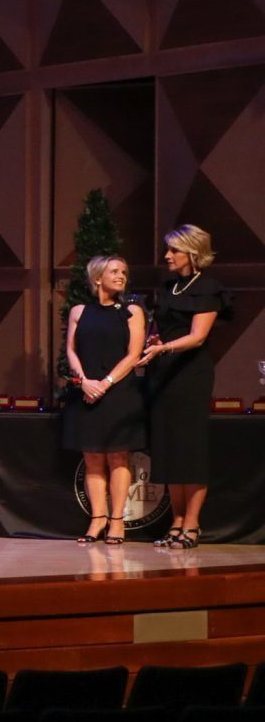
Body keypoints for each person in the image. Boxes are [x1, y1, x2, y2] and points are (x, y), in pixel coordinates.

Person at [148, 225, 232, 549]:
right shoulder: (170, 287)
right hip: (164, 373)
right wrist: (156, 342)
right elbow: (166, 330)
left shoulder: (208, 288)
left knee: (190, 450)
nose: (167, 256)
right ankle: (177, 521)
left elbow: (197, 337)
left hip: (191, 374)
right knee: (169, 450)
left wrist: (163, 348)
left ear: (192, 252)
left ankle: (193, 524)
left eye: (173, 250)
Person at [64, 255, 147, 545]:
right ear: (98, 278)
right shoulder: (78, 311)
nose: (121, 275)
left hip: (120, 392)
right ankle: (97, 519)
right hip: (86, 391)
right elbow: (71, 351)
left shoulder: (132, 311)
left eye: (124, 271)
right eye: (114, 271)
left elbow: (134, 354)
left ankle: (116, 522)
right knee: (92, 457)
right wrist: (85, 381)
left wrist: (107, 383)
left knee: (117, 456)